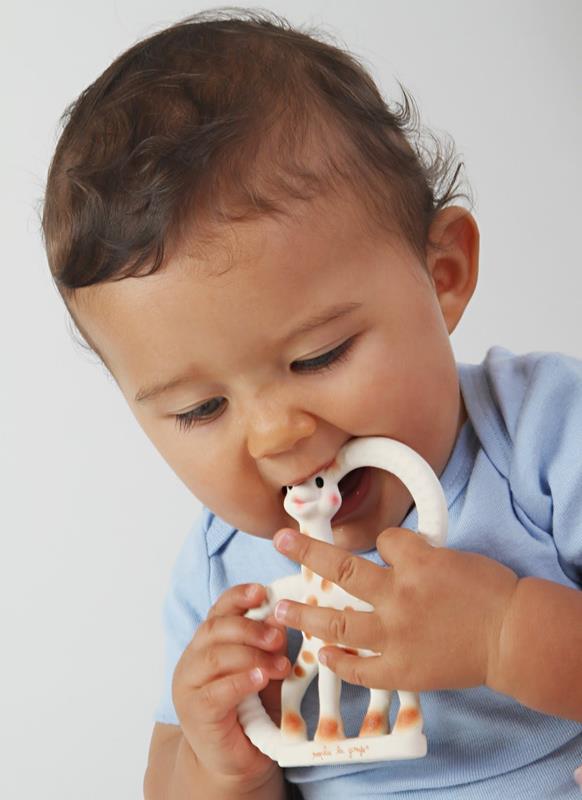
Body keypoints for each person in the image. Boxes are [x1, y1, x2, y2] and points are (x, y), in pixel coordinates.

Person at [41, 9, 582, 799]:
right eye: (200, 409)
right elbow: (167, 782)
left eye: (319, 357)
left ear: (443, 274)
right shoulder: (225, 575)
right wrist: (218, 761)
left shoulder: (544, 437)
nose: (274, 435)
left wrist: (503, 635)